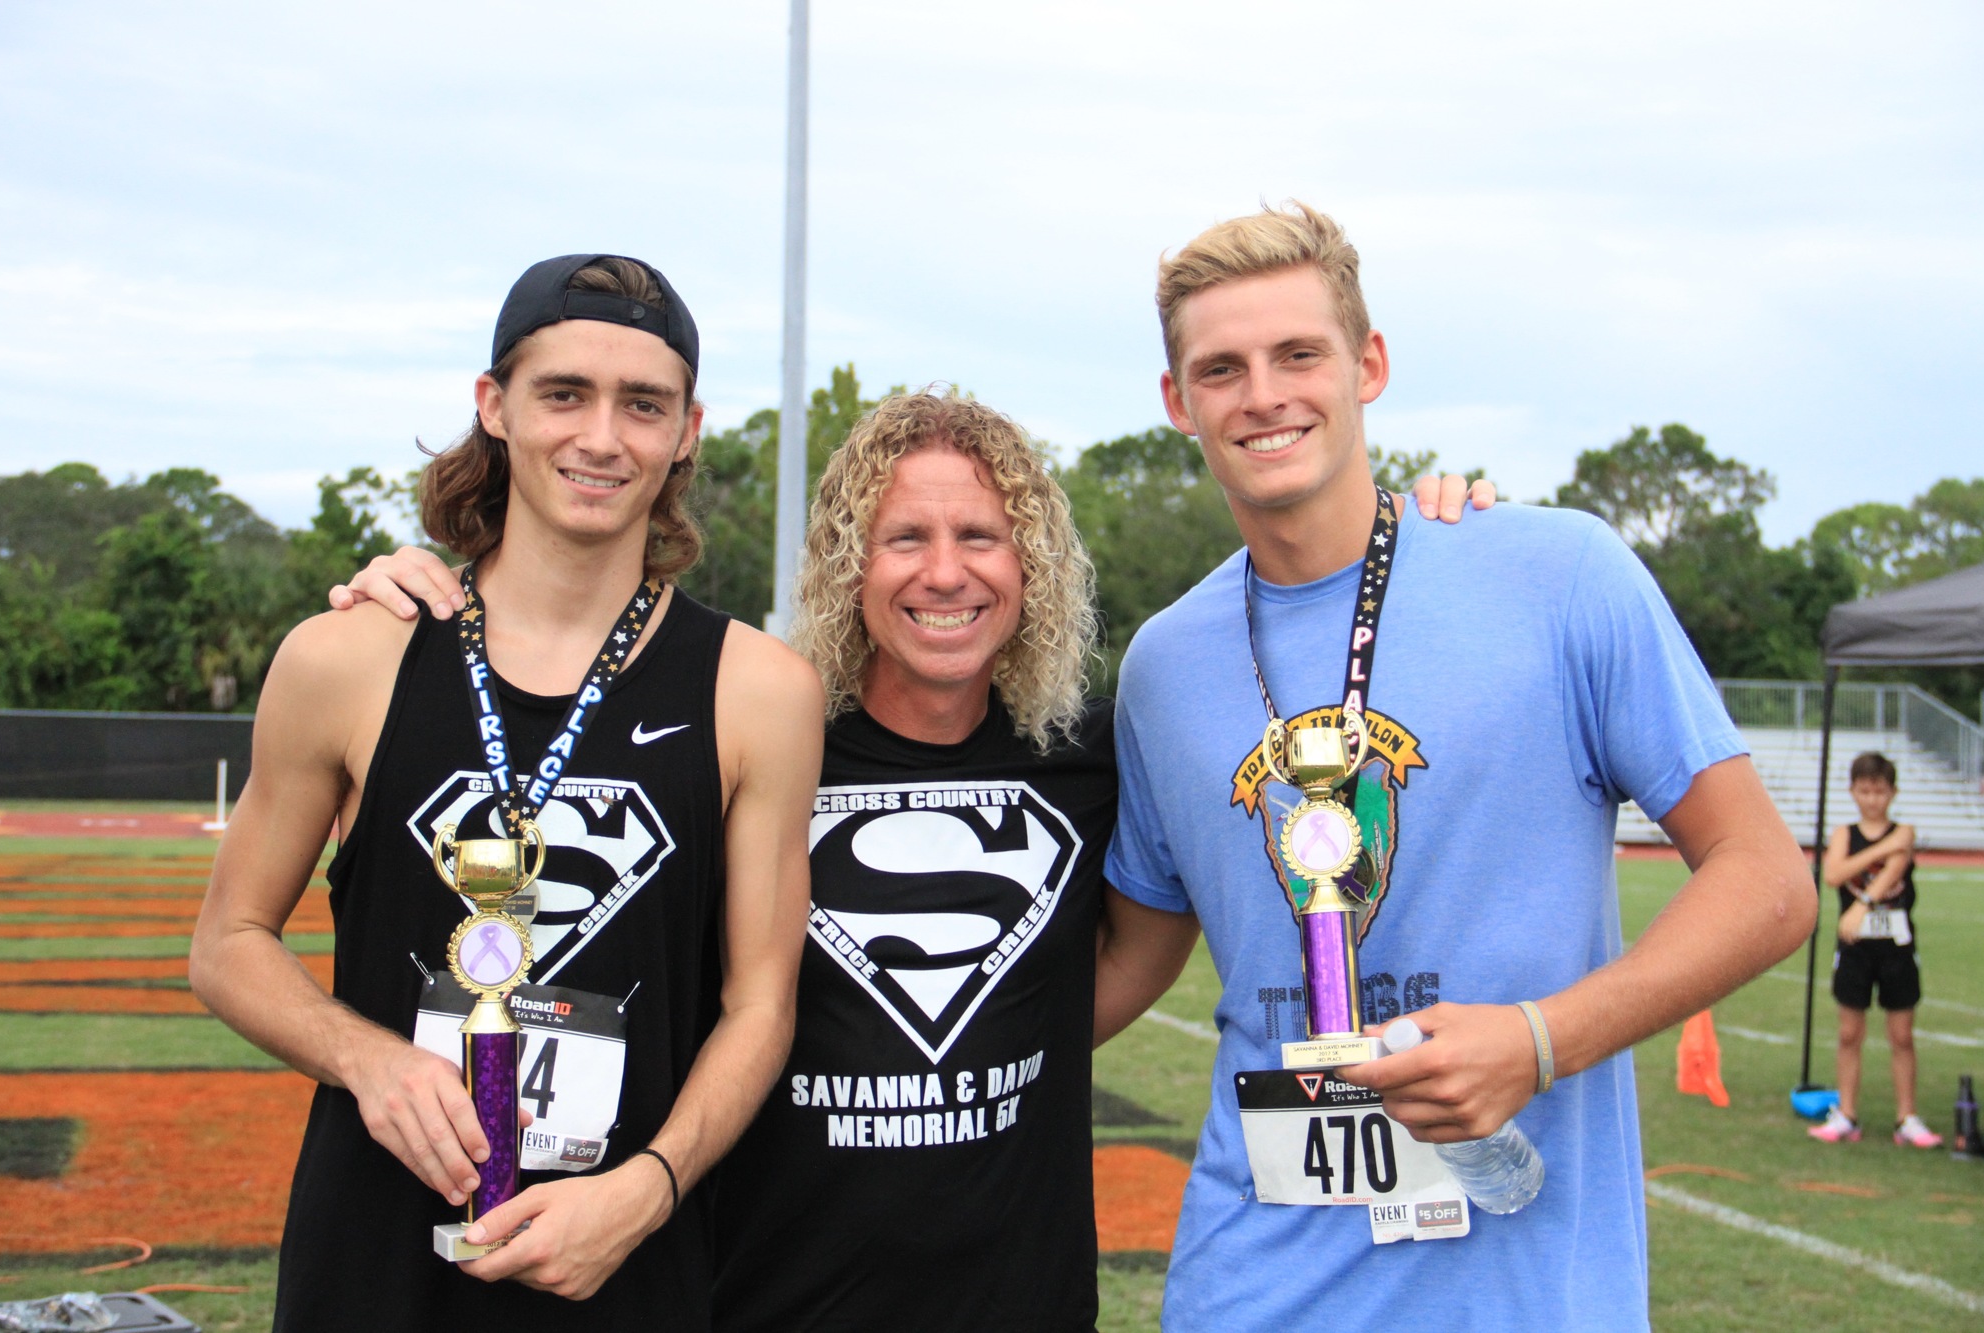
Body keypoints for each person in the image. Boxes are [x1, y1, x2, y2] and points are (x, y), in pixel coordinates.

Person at [336, 388, 1489, 1329]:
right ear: (848, 564)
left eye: (980, 536)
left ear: (1028, 565)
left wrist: (1438, 525)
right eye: (905, 538)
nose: (946, 572)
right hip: (757, 1300)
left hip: (1022, 1302)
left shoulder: (1086, 758)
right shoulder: (757, 739)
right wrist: (416, 596)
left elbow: (1143, 934)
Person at [1100, 202, 1816, 1330]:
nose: (1263, 394)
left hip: (1525, 1296)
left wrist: (1538, 1042)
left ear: (1367, 364)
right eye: (1219, 368)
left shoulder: (1555, 574)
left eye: (1298, 354)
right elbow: (1124, 957)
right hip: (1250, 1293)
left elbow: (1766, 880)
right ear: (1176, 401)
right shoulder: (1160, 665)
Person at [190, 254, 823, 1332]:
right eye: (563, 393)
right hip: (373, 1261)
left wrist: (649, 1188)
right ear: (493, 406)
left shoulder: (760, 690)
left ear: (687, 431)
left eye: (643, 404)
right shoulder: (351, 655)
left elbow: (759, 1003)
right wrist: (368, 1058)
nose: (601, 437)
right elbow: (228, 940)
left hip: (625, 1262)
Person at [1809, 752, 1943, 1147]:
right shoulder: (1844, 835)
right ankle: (1847, 1113)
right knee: (1850, 1031)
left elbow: (1893, 873)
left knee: (1902, 1034)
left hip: (1897, 946)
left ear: (1892, 792)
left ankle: (1907, 1117)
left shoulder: (1905, 831)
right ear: (1853, 792)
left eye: (1879, 791)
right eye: (1864, 791)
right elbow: (1834, 874)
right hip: (1854, 948)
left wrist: (1864, 903)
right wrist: (1879, 850)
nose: (1872, 799)